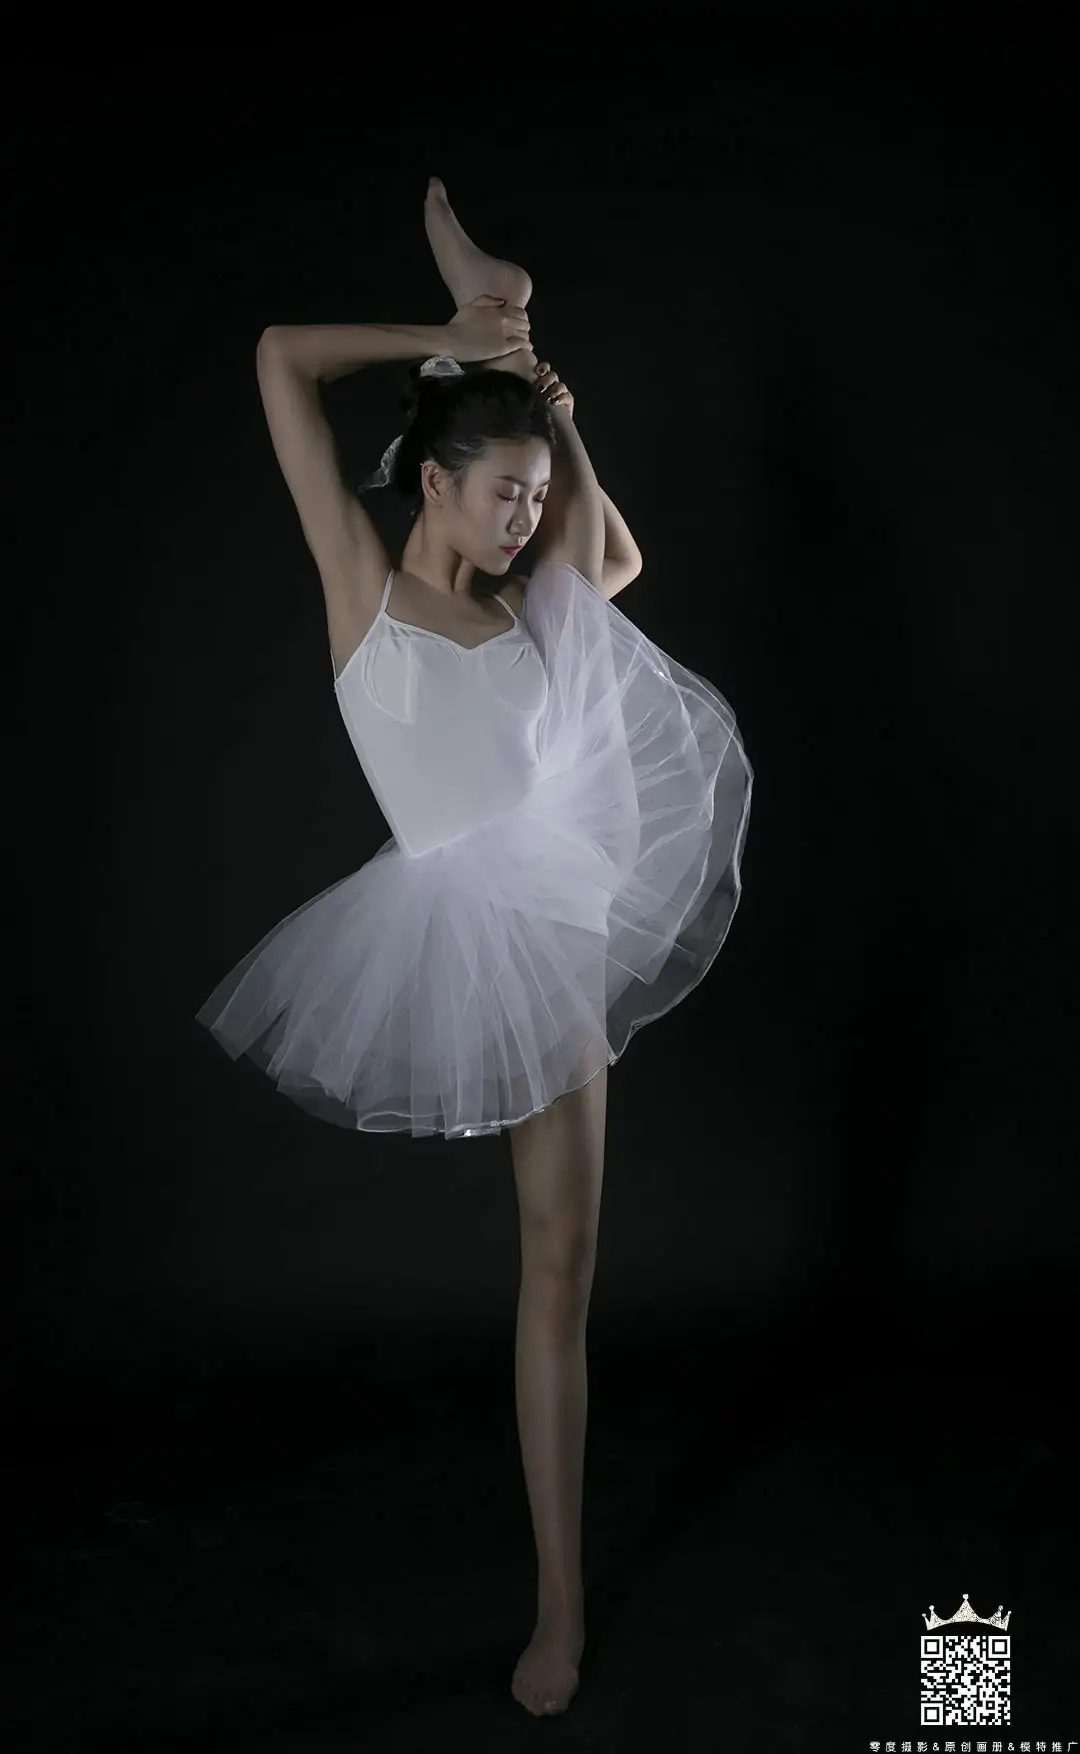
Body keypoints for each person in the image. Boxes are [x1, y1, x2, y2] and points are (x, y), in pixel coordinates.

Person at [195, 182, 753, 1717]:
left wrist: (554, 417)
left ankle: (558, 1606)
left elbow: (613, 555)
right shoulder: (361, 593)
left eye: (529, 497)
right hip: (448, 927)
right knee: (547, 1266)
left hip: (557, 939)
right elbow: (280, 354)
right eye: (500, 493)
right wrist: (451, 340)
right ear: (431, 484)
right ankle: (490, 294)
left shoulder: (537, 611)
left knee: (558, 1270)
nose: (520, 518)